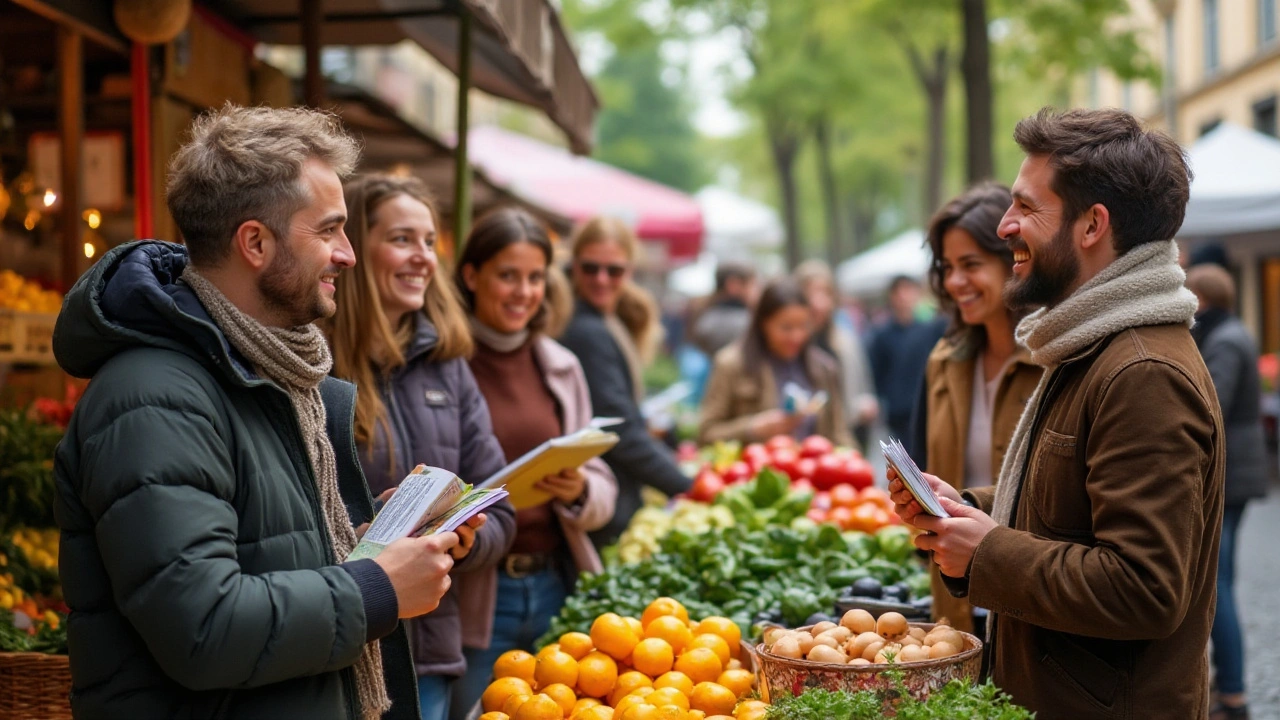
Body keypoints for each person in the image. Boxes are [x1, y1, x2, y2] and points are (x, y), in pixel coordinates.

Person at [51, 105, 457, 719]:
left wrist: (389, 537)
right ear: (256, 243)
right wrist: (378, 589)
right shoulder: (153, 395)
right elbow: (204, 628)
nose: (348, 255)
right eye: (328, 230)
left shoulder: (270, 371)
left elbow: (275, 550)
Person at [890, 107, 1224, 719]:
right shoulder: (1093, 346)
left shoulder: (1141, 371)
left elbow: (1143, 590)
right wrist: (968, 510)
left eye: (1025, 207)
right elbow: (1069, 510)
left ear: (1092, 224)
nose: (1008, 226)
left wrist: (986, 551)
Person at [327, 173, 517, 720]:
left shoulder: (448, 366)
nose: (423, 258)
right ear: (354, 248)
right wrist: (365, 531)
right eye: (402, 239)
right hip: (337, 650)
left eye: (430, 242)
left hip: (428, 654)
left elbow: (499, 501)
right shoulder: (314, 364)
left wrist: (460, 541)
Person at [448, 208, 619, 718]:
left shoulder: (560, 365)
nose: (523, 292)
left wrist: (579, 490)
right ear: (472, 275)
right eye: (507, 276)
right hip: (478, 590)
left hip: (554, 583)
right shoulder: (444, 365)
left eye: (535, 278)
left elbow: (602, 481)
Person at [906, 184, 1042, 635]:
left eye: (971, 265)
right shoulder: (944, 363)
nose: (953, 282)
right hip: (958, 601)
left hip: (1034, 602)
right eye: (947, 267)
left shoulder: (1056, 361)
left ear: (1015, 261)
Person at [558, 217, 691, 548]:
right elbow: (620, 431)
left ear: (629, 271)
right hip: (602, 506)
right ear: (573, 266)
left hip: (608, 499)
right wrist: (688, 484)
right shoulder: (586, 330)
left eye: (614, 270)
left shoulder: (607, 319)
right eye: (590, 268)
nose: (601, 279)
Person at [1186, 264, 1268, 720]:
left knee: (1218, 584)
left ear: (1201, 297)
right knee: (1222, 580)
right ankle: (1229, 686)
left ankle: (1233, 693)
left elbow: (1208, 402)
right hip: (1238, 472)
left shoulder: (1225, 340)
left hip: (1230, 475)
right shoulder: (1231, 333)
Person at [698, 277, 853, 447]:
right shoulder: (731, 364)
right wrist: (752, 428)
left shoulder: (823, 368)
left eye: (803, 326)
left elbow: (839, 434)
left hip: (815, 470)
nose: (796, 336)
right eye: (786, 327)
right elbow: (706, 433)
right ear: (763, 324)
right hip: (757, 470)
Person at [794, 260, 879, 445]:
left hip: (846, 433)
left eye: (825, 292)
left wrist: (864, 404)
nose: (819, 302)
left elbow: (862, 385)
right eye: (811, 292)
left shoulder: (845, 340)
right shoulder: (792, 342)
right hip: (806, 438)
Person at [867, 275, 946, 443]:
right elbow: (876, 373)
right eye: (898, 291)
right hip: (897, 413)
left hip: (927, 409)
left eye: (908, 290)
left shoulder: (930, 330)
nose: (903, 296)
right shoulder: (881, 335)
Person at [690, 260, 757, 357]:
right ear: (733, 285)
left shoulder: (704, 315)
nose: (755, 290)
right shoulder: (741, 320)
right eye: (752, 284)